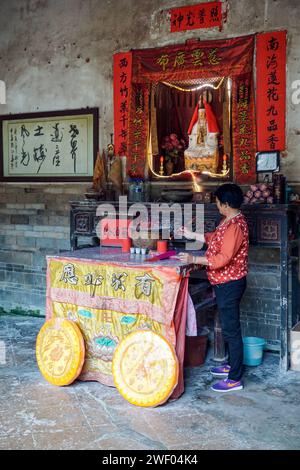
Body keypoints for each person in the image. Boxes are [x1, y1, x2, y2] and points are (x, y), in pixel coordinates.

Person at [176, 183, 249, 393]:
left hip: (230, 283)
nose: (217, 206)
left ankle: (235, 378)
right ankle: (232, 366)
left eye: (218, 202)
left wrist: (193, 258)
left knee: (231, 330)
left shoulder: (235, 226)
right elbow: (213, 239)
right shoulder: (230, 220)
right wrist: (191, 234)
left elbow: (223, 258)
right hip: (224, 283)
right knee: (228, 326)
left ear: (226, 204)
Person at [184, 97, 219, 172]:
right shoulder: (196, 125)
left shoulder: (208, 125)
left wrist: (208, 139)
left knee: (212, 152)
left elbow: (213, 134)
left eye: (203, 114)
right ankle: (192, 170)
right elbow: (191, 135)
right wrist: (194, 136)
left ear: (206, 114)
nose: (201, 116)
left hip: (206, 147)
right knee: (187, 152)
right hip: (196, 147)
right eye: (200, 114)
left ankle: (209, 169)